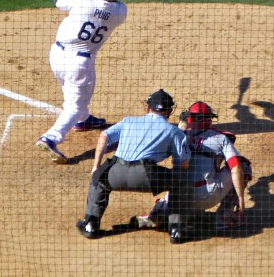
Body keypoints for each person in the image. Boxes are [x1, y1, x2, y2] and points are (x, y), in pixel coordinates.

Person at [77, 89, 193, 244]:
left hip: (115, 173)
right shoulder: (174, 131)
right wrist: (181, 134)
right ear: (170, 111)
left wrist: (96, 166)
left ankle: (90, 224)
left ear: (147, 108)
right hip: (147, 176)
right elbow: (183, 165)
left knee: (98, 179)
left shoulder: (128, 121)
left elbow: (104, 136)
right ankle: (177, 230)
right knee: (182, 180)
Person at [36, 0, 128, 164]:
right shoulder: (120, 12)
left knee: (72, 91)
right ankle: (51, 138)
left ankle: (83, 120)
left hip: (57, 55)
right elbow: (102, 2)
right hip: (80, 65)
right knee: (74, 105)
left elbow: (59, 1)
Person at [132, 101, 252, 233]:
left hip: (178, 198)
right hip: (207, 195)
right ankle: (224, 217)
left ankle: (158, 213)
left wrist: (182, 126)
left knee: (176, 180)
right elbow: (236, 167)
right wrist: (241, 201)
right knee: (243, 166)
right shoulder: (220, 138)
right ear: (210, 119)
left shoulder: (177, 135)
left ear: (189, 118)